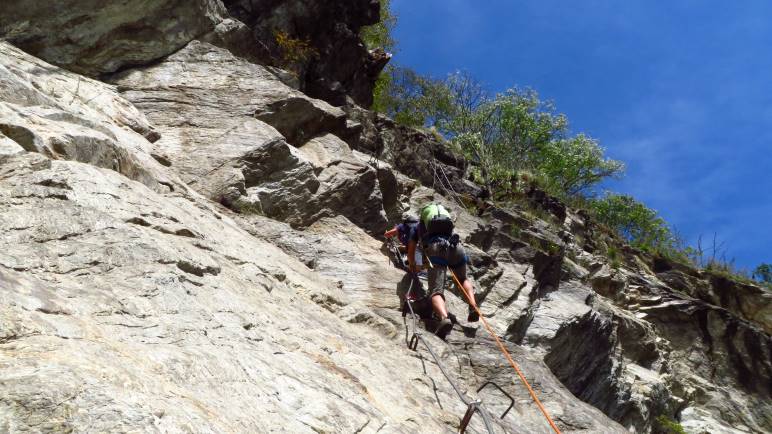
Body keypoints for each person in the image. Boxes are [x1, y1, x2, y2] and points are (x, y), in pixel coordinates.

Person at [407, 202, 480, 340]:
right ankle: (473, 304)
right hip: (455, 246)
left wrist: (412, 264)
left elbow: (411, 249)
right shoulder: (445, 219)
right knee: (463, 279)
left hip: (436, 249)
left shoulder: (416, 227)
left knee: (436, 291)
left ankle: (444, 318)